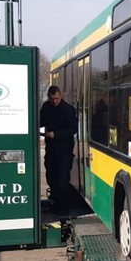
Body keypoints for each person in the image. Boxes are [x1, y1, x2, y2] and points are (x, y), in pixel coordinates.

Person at [40, 86, 77, 214]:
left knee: (62, 179)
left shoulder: (68, 110)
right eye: (52, 99)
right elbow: (39, 121)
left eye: (56, 98)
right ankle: (55, 202)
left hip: (64, 150)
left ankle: (64, 207)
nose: (54, 101)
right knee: (51, 177)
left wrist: (56, 134)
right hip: (51, 149)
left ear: (60, 95)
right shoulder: (46, 108)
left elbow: (73, 129)